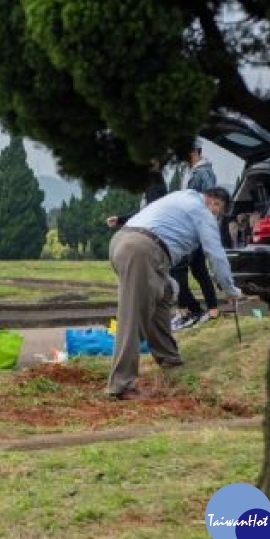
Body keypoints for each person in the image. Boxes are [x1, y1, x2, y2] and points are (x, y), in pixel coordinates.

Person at [107, 186, 242, 400]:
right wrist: (231, 290)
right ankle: (121, 385)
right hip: (142, 249)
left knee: (164, 293)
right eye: (220, 211)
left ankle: (169, 359)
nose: (217, 216)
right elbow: (215, 254)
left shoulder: (181, 196)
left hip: (123, 242)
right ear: (214, 203)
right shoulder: (202, 212)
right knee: (133, 314)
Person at [171, 141, 220, 329]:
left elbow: (210, 200)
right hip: (191, 228)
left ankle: (187, 312)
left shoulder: (203, 173)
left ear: (193, 152)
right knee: (199, 270)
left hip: (194, 229)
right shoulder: (192, 172)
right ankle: (212, 311)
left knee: (178, 268)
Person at [105, 158, 169, 228]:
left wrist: (120, 219)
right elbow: (145, 211)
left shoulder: (154, 184)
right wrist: (120, 219)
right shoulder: (155, 182)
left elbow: (148, 212)